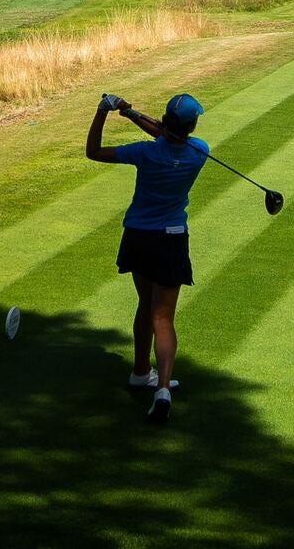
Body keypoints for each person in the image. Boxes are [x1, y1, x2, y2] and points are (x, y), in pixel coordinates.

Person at [85, 91, 208, 423]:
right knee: (162, 317)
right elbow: (168, 135)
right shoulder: (200, 151)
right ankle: (161, 388)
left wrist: (105, 112)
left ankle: (142, 372)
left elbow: (93, 152)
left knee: (146, 303)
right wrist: (131, 114)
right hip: (171, 240)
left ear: (168, 121)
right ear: (192, 125)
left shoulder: (145, 152)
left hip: (139, 237)